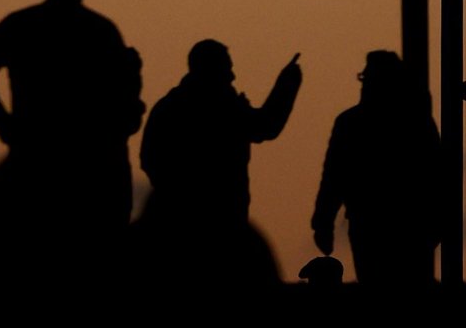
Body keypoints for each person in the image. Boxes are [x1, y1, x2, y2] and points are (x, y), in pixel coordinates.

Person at [0, 0, 144, 282]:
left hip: (60, 161)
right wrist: (2, 121)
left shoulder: (27, 25)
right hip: (65, 163)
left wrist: (2, 121)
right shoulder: (99, 31)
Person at [136, 40, 302, 286]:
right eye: (227, 69)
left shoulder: (168, 106)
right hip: (220, 222)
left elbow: (148, 158)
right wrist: (287, 85)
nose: (232, 76)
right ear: (211, 69)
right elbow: (264, 127)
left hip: (178, 220)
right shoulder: (223, 106)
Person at [310, 50, 440, 286]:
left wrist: (323, 222)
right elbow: (437, 174)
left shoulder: (351, 123)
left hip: (376, 224)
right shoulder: (417, 123)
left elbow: (332, 178)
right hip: (403, 225)